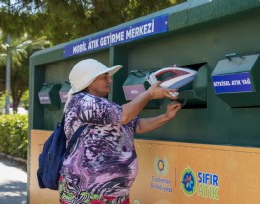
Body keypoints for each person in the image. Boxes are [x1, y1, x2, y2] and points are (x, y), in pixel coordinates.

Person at [59, 59, 182, 204]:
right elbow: (124, 116)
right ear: (89, 81)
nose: (109, 79)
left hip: (115, 195)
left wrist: (165, 117)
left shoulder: (105, 105)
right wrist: (149, 94)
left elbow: (138, 125)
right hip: (86, 195)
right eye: (104, 77)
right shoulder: (81, 101)